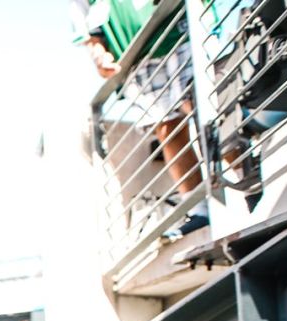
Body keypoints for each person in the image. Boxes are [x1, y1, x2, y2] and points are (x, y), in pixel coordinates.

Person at [73, 0, 209, 236]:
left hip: (182, 32)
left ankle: (244, 180)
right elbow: (89, 28)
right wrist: (99, 56)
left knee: (205, 105)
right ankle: (199, 210)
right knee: (167, 130)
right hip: (138, 58)